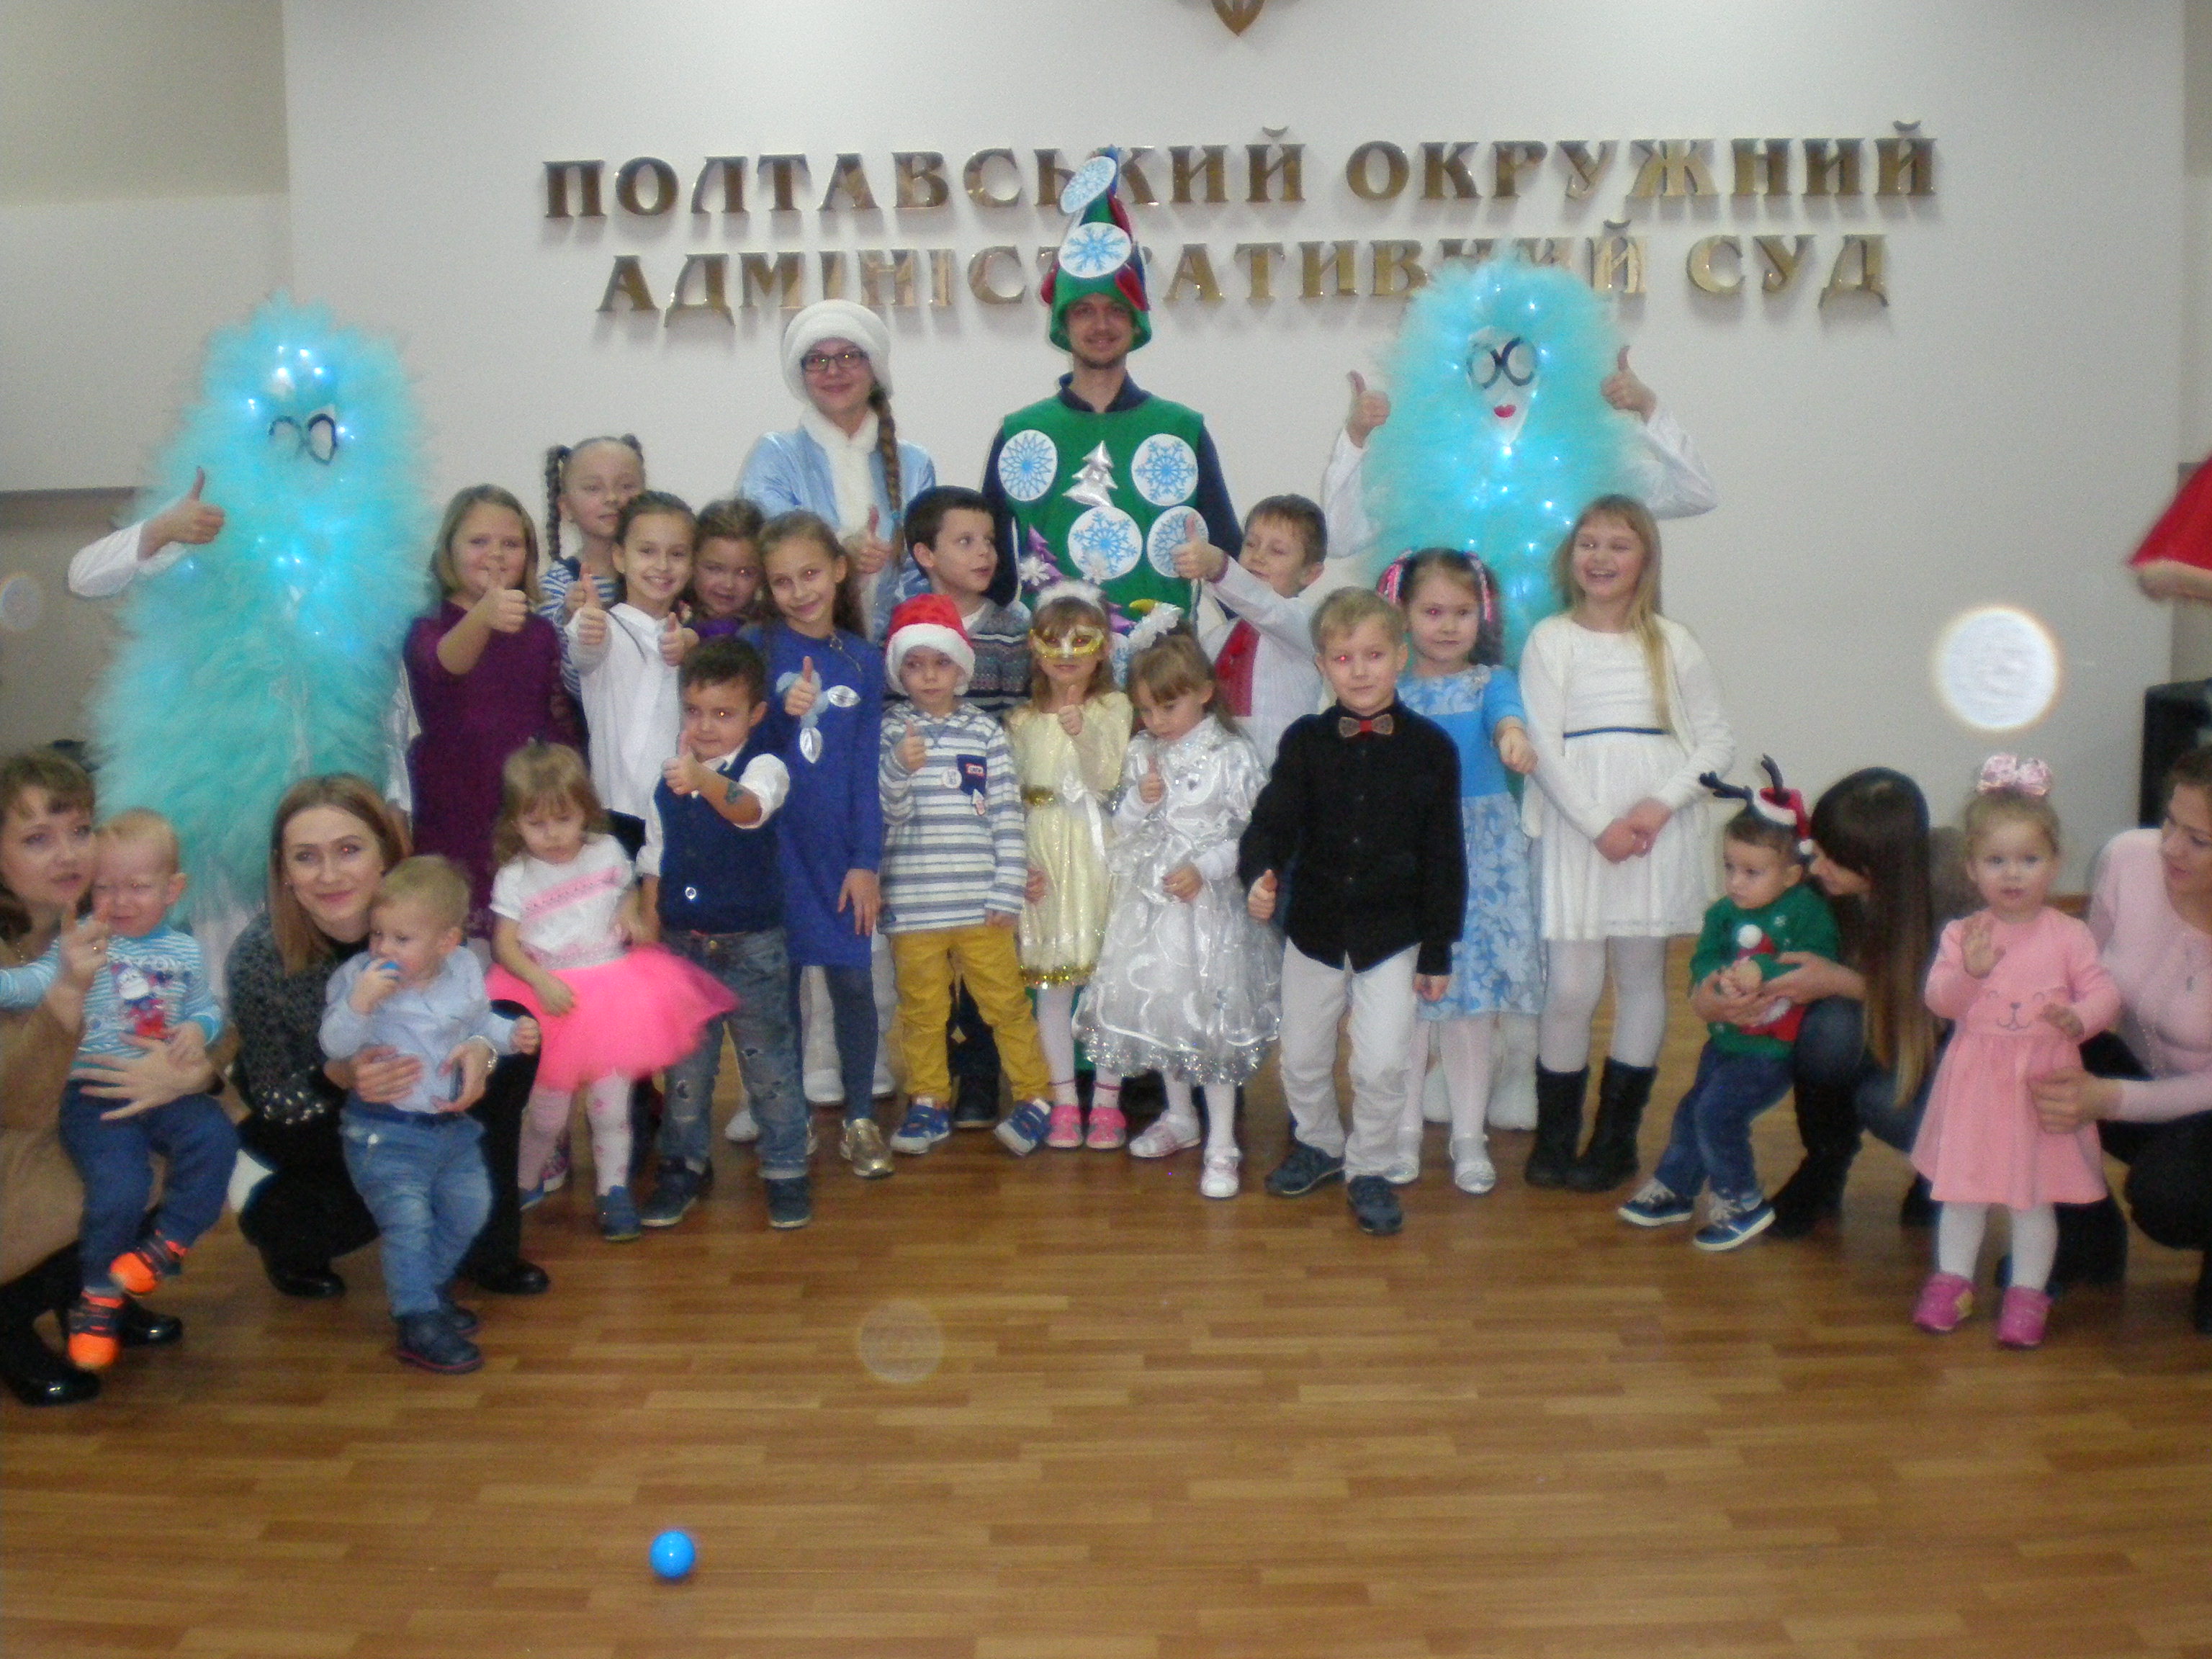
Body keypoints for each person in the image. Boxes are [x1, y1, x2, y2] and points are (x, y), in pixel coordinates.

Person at [230, 774, 549, 1302]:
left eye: (348, 850)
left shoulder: (423, 918)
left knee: (514, 1026)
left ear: (385, 854)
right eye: (306, 857)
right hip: (322, 1131)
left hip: (424, 1102)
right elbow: (275, 1102)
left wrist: (484, 1051)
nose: (330, 875)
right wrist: (341, 1078)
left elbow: (471, 1011)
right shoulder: (260, 959)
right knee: (297, 1219)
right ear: (284, 872)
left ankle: (487, 1247)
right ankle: (294, 1240)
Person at [1519, 497, 1734, 1194]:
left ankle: (1614, 1141)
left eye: (1619, 545)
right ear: (1570, 556)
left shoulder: (1673, 642)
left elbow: (1715, 743)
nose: (1601, 557)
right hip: (1577, 828)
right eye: (1589, 543)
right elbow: (1542, 747)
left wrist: (1656, 806)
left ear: (1645, 560)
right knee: (1571, 985)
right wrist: (1598, 825)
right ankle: (1555, 1138)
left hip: (1653, 831)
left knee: (1641, 978)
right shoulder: (1550, 640)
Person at [1238, 588, 1466, 1236]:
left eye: (1373, 655)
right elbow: (1270, 823)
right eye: (1343, 658)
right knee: (1302, 1056)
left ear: (1400, 657)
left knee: (1383, 1062)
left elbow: (1445, 854)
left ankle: (1370, 1164)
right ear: (1322, 666)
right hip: (1315, 927)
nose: (1359, 670)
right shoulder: (1305, 741)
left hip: (1394, 934)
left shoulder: (1432, 749)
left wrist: (1438, 948)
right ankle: (1319, 1141)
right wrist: (1259, 875)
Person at [0, 810, 237, 1370]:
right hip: (95, 1096)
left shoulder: (182, 951)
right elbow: (30, 984)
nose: (121, 901)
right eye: (106, 888)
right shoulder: (84, 943)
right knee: (121, 1186)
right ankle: (98, 1299)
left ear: (172, 890)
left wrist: (196, 1032)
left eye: (138, 887)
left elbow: (207, 1009)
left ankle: (165, 1246)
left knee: (217, 1138)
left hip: (164, 1093)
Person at [485, 743, 736, 1240]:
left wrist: (628, 912)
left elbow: (625, 891)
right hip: (550, 996)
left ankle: (613, 1190)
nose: (553, 834)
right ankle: (523, 1181)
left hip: (613, 994)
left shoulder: (605, 852)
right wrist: (539, 980)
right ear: (515, 824)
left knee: (611, 1110)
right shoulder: (516, 876)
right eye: (537, 824)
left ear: (586, 810)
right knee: (547, 1116)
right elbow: (504, 944)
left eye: (564, 819)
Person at [1909, 759, 2119, 1350]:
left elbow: (2104, 991)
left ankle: (2028, 1293)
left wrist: (2081, 1018)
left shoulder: (2069, 934)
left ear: (2054, 863)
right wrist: (1971, 974)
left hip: (2042, 1085)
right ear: (1972, 868)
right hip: (1977, 1083)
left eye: (2029, 859)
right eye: (1996, 860)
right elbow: (1940, 1000)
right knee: (1963, 1190)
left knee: (2034, 1200)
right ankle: (1953, 1281)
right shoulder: (1963, 934)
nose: (2013, 873)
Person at [1712, 770, 1974, 1238]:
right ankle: (1825, 1163)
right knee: (1828, 1028)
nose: (1815, 867)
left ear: (1878, 867)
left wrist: (1840, 981)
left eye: (1833, 859)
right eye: (1817, 849)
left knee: (1887, 1104)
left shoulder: (1954, 884)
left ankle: (1941, 1171)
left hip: (1951, 1050)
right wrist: (1736, 991)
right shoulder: (1820, 887)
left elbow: (1966, 1010)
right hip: (1884, 1028)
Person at [981, 153, 1237, 625]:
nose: (1101, 325)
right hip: (1056, 659)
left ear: (1136, 322)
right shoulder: (1020, 434)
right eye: (1084, 311)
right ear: (1063, 324)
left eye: (1116, 310)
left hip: (1165, 661)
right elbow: (990, 575)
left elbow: (1228, 559)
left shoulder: (1181, 430)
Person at [320, 856, 538, 1374]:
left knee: (471, 1208)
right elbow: (334, 1044)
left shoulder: (462, 969)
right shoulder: (358, 979)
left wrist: (510, 1036)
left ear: (446, 942)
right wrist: (360, 1004)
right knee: (409, 1223)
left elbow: (478, 1020)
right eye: (378, 934)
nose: (383, 949)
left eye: (402, 939)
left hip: (450, 1128)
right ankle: (416, 1317)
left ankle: (427, 1290)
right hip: (383, 1133)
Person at [1079, 631, 1277, 1195]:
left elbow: (1255, 832)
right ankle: (1180, 1115)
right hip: (1152, 909)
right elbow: (1120, 830)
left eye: (1168, 706)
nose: (1156, 721)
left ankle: (1222, 1141)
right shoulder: (1143, 752)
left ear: (1204, 692)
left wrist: (1207, 867)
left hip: (1208, 912)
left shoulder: (1232, 754)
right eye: (1146, 710)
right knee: (1165, 1010)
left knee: (1209, 1019)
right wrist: (1139, 801)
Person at [2026, 745, 2212, 1333]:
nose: (2170, 848)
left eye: (2198, 840)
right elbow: (2081, 971)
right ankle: (2086, 1233)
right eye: (2169, 823)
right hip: (2141, 1079)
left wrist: (2107, 1098)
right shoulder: (2129, 858)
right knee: (2025, 1051)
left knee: (2170, 1198)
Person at [635, 639, 817, 1224]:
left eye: (723, 713)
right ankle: (683, 1166)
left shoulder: (764, 767)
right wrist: (648, 924)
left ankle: (785, 1167)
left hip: (753, 947)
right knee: (686, 1072)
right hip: (683, 946)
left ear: (756, 715)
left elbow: (749, 810)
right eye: (694, 711)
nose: (706, 726)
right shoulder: (667, 782)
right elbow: (656, 859)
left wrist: (702, 780)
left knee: (769, 1067)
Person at [1618, 775, 1839, 1250]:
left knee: (1718, 1113)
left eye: (1751, 872)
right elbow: (1703, 958)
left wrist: (1763, 970)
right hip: (1725, 1040)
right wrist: (1711, 982)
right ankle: (1676, 1188)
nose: (1735, 882)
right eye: (1729, 867)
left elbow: (1817, 961)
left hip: (1773, 1049)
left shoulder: (1805, 911)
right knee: (1694, 1108)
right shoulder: (1722, 913)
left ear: (1791, 875)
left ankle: (1740, 1199)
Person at [1382, 550, 1540, 1196]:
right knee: (1406, 1004)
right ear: (1403, 614)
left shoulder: (1491, 681)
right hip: (1409, 855)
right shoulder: (1390, 689)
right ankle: (1401, 1131)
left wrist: (1513, 738)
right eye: (1432, 611)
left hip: (1480, 856)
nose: (1448, 626)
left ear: (1484, 615)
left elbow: (1508, 718)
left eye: (1463, 612)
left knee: (1472, 1008)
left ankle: (1469, 1136)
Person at [875, 596, 1057, 1157]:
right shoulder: (889, 732)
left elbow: (1006, 814)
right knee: (922, 1013)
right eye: (915, 665)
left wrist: (1007, 887)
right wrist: (898, 768)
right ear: (900, 672)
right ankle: (929, 1099)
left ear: (962, 667)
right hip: (914, 905)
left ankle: (1035, 1096)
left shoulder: (985, 733)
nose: (929, 676)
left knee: (1005, 1005)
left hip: (982, 905)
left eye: (941, 663)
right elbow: (886, 814)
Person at [1318, 349, 1719, 583]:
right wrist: (1355, 437)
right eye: (1485, 368)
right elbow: (1340, 538)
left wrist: (1649, 408)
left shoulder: (1587, 465)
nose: (1503, 386)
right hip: (1455, 666)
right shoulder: (1428, 471)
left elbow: (1696, 494)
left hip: (1564, 658)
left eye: (1520, 366)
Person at [750, 511, 890, 1150]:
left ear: (838, 570)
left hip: (840, 854)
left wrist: (866, 861)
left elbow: (865, 771)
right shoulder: (757, 649)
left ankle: (860, 1118)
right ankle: (790, 1120)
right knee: (780, 989)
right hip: (773, 851)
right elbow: (745, 757)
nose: (799, 591)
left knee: (853, 982)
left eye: (810, 574)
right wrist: (782, 717)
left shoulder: (862, 660)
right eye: (782, 581)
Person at [908, 485, 1032, 1128]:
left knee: (989, 968)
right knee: (927, 980)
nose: (984, 552)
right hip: (923, 842)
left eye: (989, 541)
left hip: (984, 832)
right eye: (965, 541)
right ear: (925, 554)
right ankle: (931, 1086)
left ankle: (983, 1079)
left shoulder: (1011, 630)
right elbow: (893, 726)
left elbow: (1018, 722)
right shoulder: (906, 627)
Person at [404, 485, 575, 922]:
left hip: (524, 806)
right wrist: (483, 615)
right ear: (449, 550)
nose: (496, 555)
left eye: (511, 544)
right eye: (479, 541)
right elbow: (445, 665)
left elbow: (555, 722)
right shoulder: (427, 626)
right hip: (455, 805)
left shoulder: (539, 633)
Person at [1007, 584, 1130, 1147]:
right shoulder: (1022, 720)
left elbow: (1107, 779)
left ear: (1103, 649)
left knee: (1105, 983)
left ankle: (1107, 1101)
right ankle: (1063, 1100)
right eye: (1052, 641)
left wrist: (1084, 735)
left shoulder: (1114, 708)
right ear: (1035, 649)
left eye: (1080, 641)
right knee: (1052, 986)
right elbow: (1009, 799)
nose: (1065, 653)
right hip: (1042, 854)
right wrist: (1017, 864)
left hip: (1095, 850)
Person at [739, 299, 938, 639]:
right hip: (797, 648)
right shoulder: (775, 456)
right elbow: (770, 550)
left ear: (874, 369)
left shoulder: (915, 464)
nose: (833, 371)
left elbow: (927, 572)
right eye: (817, 360)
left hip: (900, 654)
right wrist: (842, 548)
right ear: (801, 375)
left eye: (849, 356)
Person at [566, 491, 696, 855]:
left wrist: (692, 646)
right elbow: (586, 651)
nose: (663, 566)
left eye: (677, 554)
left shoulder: (692, 640)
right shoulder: (605, 627)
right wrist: (588, 627)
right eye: (647, 551)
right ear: (620, 557)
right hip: (612, 814)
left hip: (676, 815)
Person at [1173, 496, 1331, 770]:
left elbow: (1265, 607)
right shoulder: (1215, 639)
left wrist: (1218, 567)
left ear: (1310, 574)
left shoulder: (1306, 626)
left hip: (1279, 781)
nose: (1258, 557)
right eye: (1251, 544)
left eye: (1277, 551)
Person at [539, 434, 645, 695]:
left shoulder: (661, 575)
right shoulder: (558, 586)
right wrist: (571, 621)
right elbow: (570, 684)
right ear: (566, 507)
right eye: (593, 488)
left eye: (626, 486)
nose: (612, 498)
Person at [686, 498, 769, 640]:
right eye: (715, 569)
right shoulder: (673, 617)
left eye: (744, 573)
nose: (728, 585)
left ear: (762, 575)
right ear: (692, 562)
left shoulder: (765, 635)